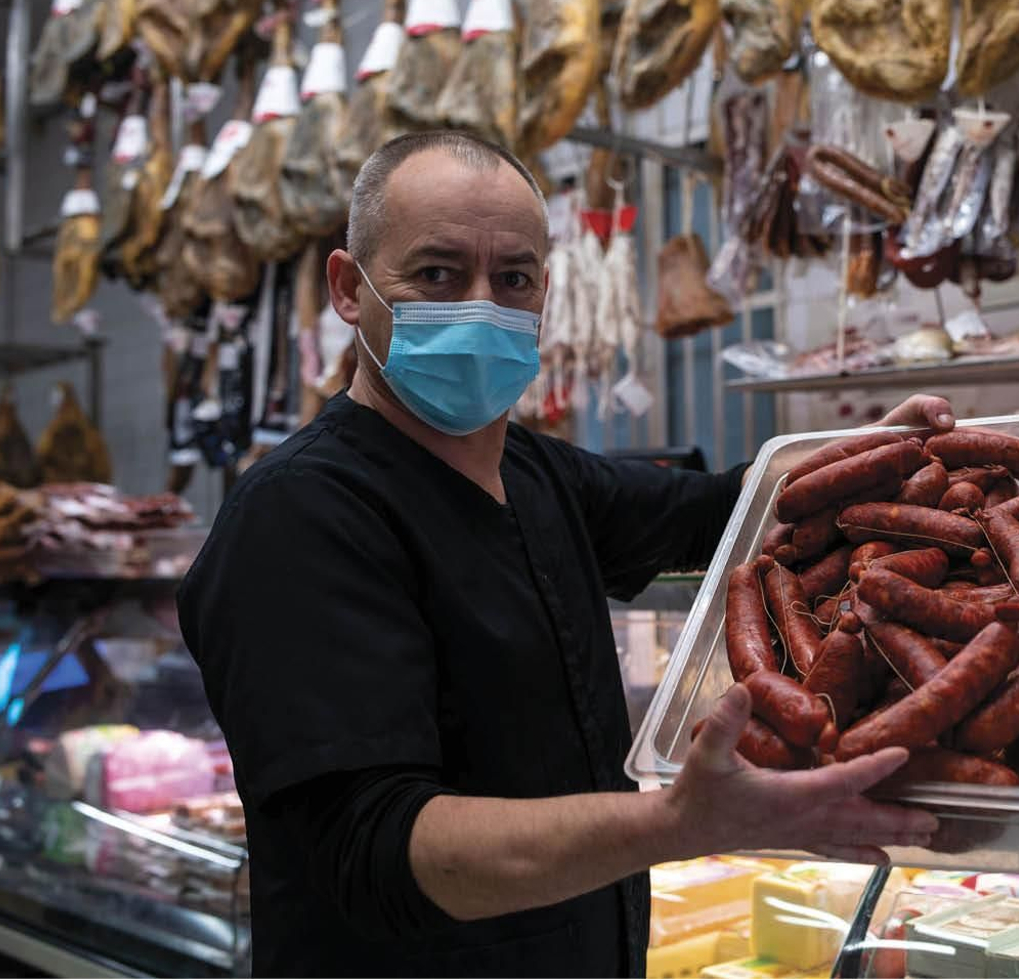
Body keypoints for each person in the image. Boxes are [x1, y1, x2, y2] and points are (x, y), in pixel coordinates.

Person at [179, 131, 955, 978]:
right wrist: (677, 822)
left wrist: (872, 455)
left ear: (544, 294)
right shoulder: (298, 517)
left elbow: (721, 510)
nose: (481, 304)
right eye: (437, 274)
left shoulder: (539, 474)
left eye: (511, 278)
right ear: (348, 289)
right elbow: (375, 848)